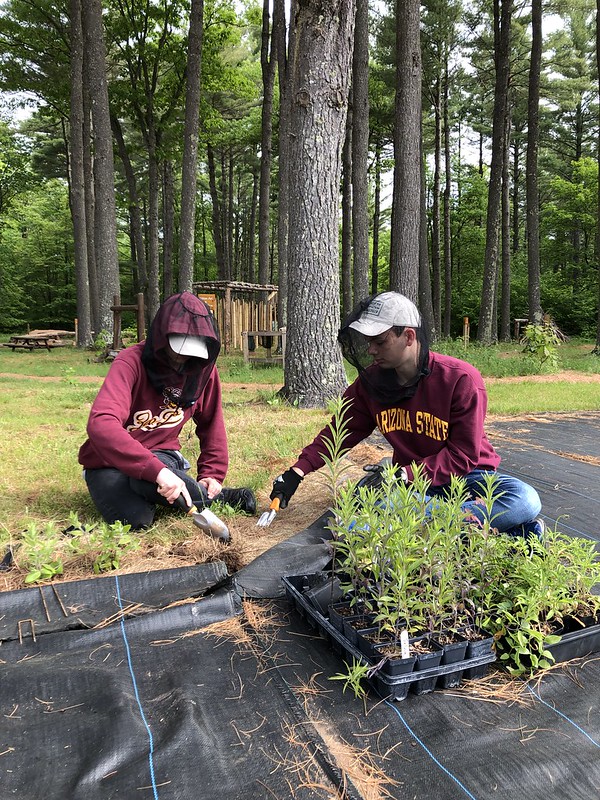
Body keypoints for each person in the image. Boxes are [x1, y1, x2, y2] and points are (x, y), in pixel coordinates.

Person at [270, 291, 543, 538]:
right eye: (369, 342)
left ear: (409, 336)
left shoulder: (460, 379)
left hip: (468, 479)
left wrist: (404, 476)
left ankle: (440, 524)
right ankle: (482, 528)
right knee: (350, 522)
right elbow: (340, 432)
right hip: (411, 487)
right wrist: (297, 471)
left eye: (380, 341)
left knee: (525, 499)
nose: (371, 350)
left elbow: (463, 456)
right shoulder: (371, 383)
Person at [79, 291, 256, 530]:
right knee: (136, 521)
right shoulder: (130, 362)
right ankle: (171, 490)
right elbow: (101, 423)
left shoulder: (203, 370)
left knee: (164, 486)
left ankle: (205, 492)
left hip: (161, 453)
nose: (183, 358)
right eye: (178, 349)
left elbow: (212, 423)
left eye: (192, 352)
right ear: (162, 338)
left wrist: (212, 473)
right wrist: (158, 472)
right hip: (108, 462)